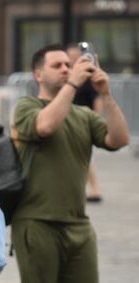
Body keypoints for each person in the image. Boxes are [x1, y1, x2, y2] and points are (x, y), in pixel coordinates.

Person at [11, 44, 129, 283]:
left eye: (69, 64)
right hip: (36, 225)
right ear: (38, 73)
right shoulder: (27, 107)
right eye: (58, 65)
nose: (66, 68)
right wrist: (75, 82)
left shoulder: (82, 115)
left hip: (79, 228)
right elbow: (45, 126)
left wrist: (105, 93)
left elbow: (119, 139)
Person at [67, 45, 104, 203]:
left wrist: (95, 119)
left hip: (84, 122)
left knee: (87, 158)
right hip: (68, 121)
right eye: (70, 57)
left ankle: (95, 189)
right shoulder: (66, 77)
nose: (72, 60)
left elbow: (98, 99)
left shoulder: (88, 78)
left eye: (75, 56)